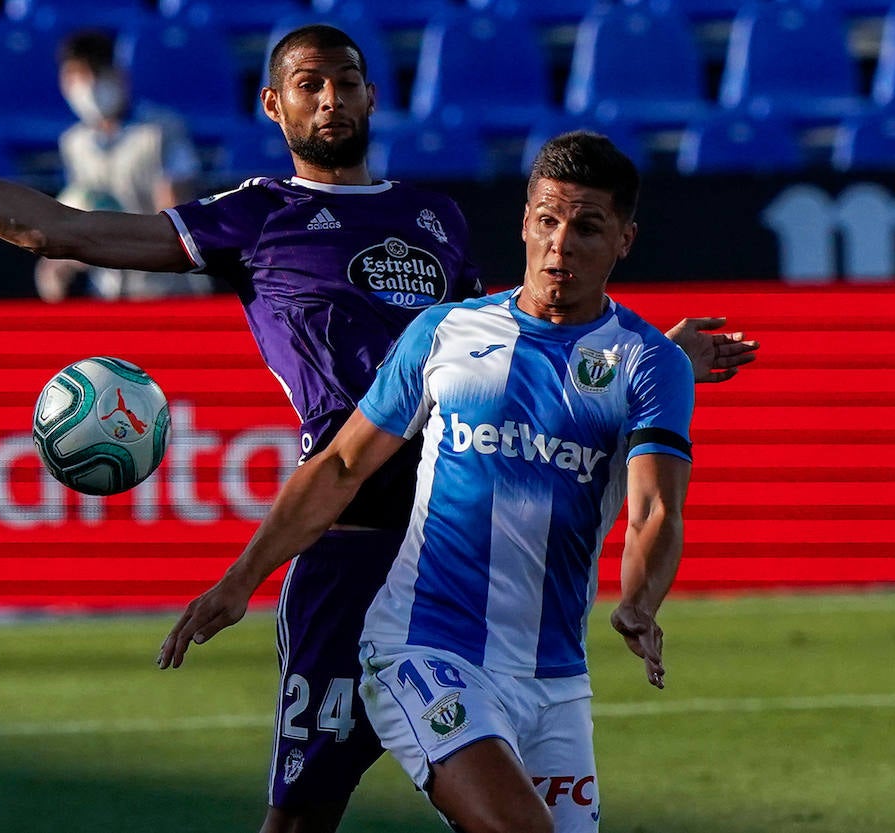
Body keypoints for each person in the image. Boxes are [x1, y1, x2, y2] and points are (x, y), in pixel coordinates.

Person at [0, 24, 756, 833]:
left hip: (467, 558)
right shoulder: (258, 216)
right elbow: (60, 232)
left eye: (345, 81)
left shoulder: (433, 217)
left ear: (373, 95)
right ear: (274, 105)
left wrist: (641, 356)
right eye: (309, 84)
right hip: (348, 543)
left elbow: (508, 343)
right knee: (304, 812)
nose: (330, 98)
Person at [159, 130, 689, 833]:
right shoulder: (447, 333)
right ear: (525, 221)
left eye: (587, 227)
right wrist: (240, 579)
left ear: (625, 239)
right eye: (547, 220)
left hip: (554, 676)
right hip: (424, 648)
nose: (560, 244)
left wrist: (640, 601)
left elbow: (654, 508)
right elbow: (341, 465)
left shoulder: (649, 363)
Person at [35, 29, 211, 301]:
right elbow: (80, 205)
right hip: (107, 294)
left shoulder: (161, 130)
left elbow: (177, 215)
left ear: (118, 75)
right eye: (75, 77)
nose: (87, 86)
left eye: (95, 73)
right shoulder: (73, 143)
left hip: (165, 291)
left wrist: (115, 239)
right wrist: (61, 259)